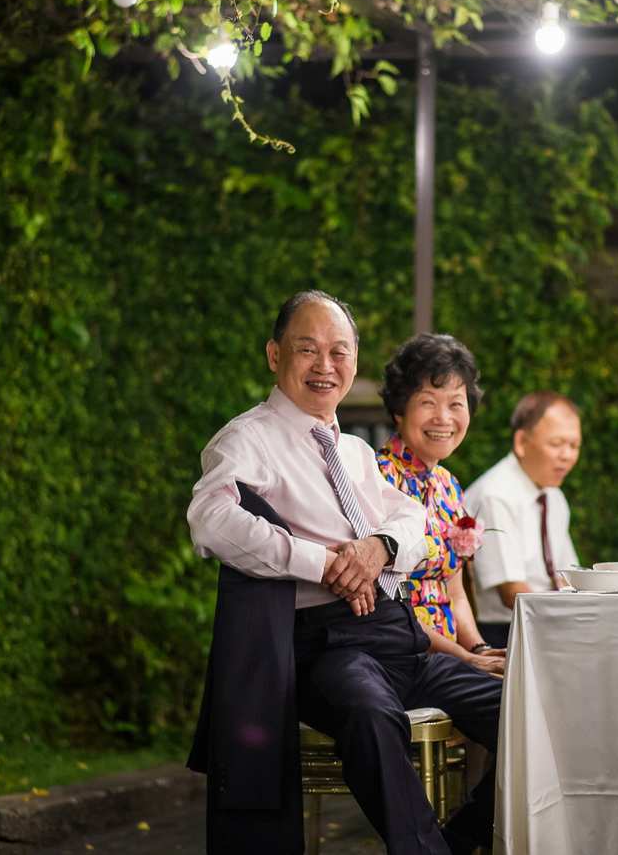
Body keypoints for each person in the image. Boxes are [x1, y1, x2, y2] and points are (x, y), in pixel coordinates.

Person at [187, 290, 502, 855]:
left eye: (340, 351)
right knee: (370, 714)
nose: (325, 365)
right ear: (274, 355)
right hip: (329, 645)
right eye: (308, 349)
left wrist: (378, 548)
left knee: (526, 716)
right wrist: (324, 563)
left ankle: (454, 842)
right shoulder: (248, 439)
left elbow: (410, 516)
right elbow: (211, 522)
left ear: (354, 361)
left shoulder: (355, 451)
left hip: (401, 638)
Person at [376, 333, 504, 677]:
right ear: (399, 410)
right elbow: (389, 602)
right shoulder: (379, 478)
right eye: (428, 402)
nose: (443, 418)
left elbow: (454, 591)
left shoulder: (449, 486)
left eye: (456, 404)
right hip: (402, 659)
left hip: (450, 658)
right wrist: (466, 659)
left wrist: (479, 649)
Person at [466, 391, 582, 649]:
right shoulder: (495, 494)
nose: (567, 455)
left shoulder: (553, 496)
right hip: (507, 632)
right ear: (521, 442)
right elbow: (512, 594)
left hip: (550, 621)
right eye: (556, 444)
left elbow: (568, 577)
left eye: (574, 446)